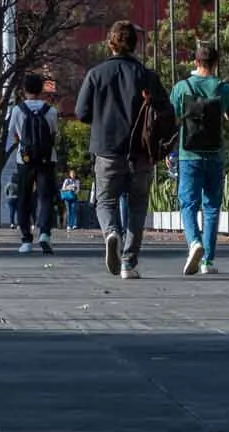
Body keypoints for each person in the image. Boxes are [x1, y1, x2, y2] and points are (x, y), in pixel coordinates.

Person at [75, 20, 175, 280]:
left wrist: (101, 118)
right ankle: (128, 263)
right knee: (137, 206)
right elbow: (167, 113)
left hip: (107, 149)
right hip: (141, 151)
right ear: (135, 45)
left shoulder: (96, 74)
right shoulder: (147, 76)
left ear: (110, 43)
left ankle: (111, 233)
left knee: (105, 201)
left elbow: (81, 112)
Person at [172, 41, 229, 276]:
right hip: (214, 154)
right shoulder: (223, 88)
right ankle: (207, 262)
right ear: (215, 63)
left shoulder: (181, 87)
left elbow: (173, 120)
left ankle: (194, 242)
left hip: (188, 154)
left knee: (188, 204)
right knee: (211, 207)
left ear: (195, 62)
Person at [7, 72, 61, 255]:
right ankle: (44, 233)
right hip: (47, 158)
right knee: (45, 197)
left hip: (24, 159)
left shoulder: (17, 110)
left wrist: (23, 145)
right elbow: (53, 134)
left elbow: (13, 134)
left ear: (24, 90)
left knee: (24, 197)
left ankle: (26, 239)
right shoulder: (50, 111)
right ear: (41, 90)